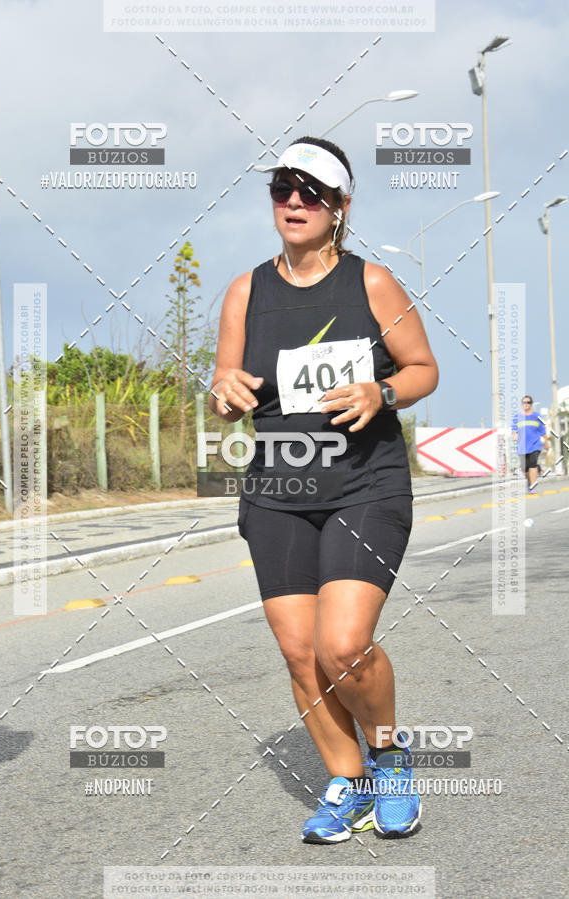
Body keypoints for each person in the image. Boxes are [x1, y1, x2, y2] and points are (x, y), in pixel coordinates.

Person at [209, 136, 438, 843]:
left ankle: (392, 757)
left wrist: (384, 389)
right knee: (301, 651)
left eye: (312, 191)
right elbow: (223, 389)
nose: (294, 202)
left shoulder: (371, 284)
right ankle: (350, 781)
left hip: (365, 483)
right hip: (277, 486)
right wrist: (224, 393)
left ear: (340, 206)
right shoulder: (246, 290)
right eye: (283, 188)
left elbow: (424, 366)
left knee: (343, 644)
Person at [512, 395, 550, 491]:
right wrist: (514, 435)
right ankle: (530, 481)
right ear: (522, 404)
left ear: (531, 404)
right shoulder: (517, 417)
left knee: (533, 465)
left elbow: (542, 430)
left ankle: (533, 486)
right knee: (525, 469)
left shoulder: (537, 416)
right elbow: (514, 429)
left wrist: (546, 442)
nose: (526, 404)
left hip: (535, 445)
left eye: (528, 402)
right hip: (522, 447)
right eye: (524, 402)